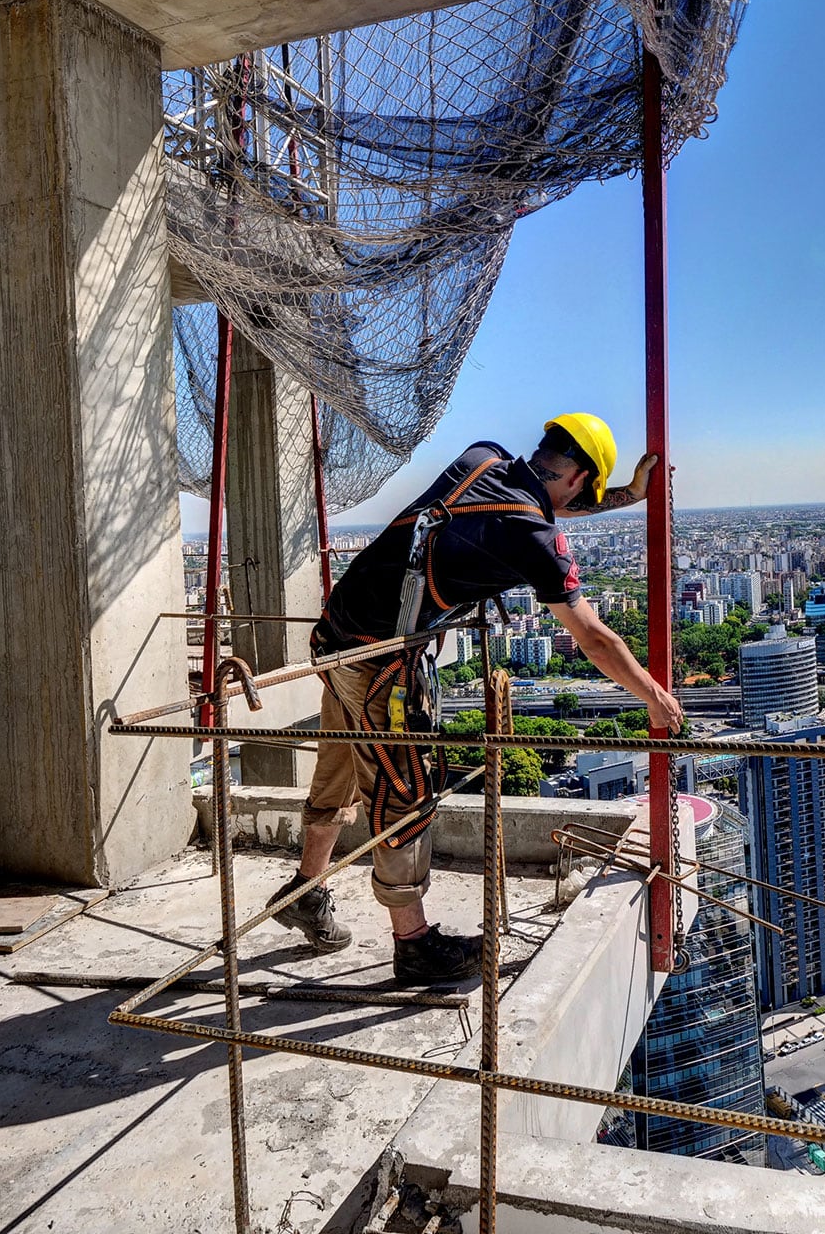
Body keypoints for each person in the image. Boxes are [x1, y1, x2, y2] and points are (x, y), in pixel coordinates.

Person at [266, 413, 685, 983]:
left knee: (340, 764)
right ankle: (414, 946)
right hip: (379, 660)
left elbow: (548, 501)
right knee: (404, 790)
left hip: (338, 636)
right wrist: (654, 697)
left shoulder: (479, 459)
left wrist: (628, 495)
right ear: (583, 476)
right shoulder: (536, 537)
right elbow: (593, 637)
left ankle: (304, 891)